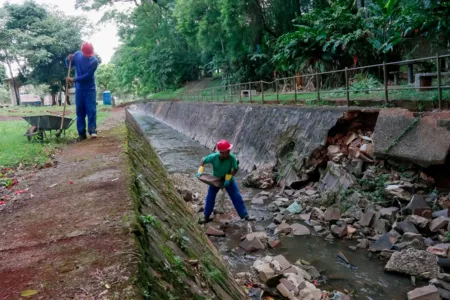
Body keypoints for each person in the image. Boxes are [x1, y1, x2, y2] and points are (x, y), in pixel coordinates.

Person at [197, 139, 254, 224]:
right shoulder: (214, 157)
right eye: (227, 150)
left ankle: (244, 215)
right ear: (222, 152)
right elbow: (203, 160)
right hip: (216, 179)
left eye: (229, 150)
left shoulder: (232, 158)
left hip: (228, 179)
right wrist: (200, 171)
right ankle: (206, 216)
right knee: (210, 197)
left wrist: (228, 178)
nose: (229, 151)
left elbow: (235, 169)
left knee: (236, 196)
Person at [65, 42, 99, 141]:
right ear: (82, 51)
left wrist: (73, 79)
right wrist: (68, 59)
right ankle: (81, 134)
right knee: (80, 112)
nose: (88, 56)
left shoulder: (94, 61)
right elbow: (69, 65)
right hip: (79, 89)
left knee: (91, 110)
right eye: (86, 53)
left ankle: (92, 131)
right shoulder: (77, 55)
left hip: (90, 89)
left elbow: (88, 76)